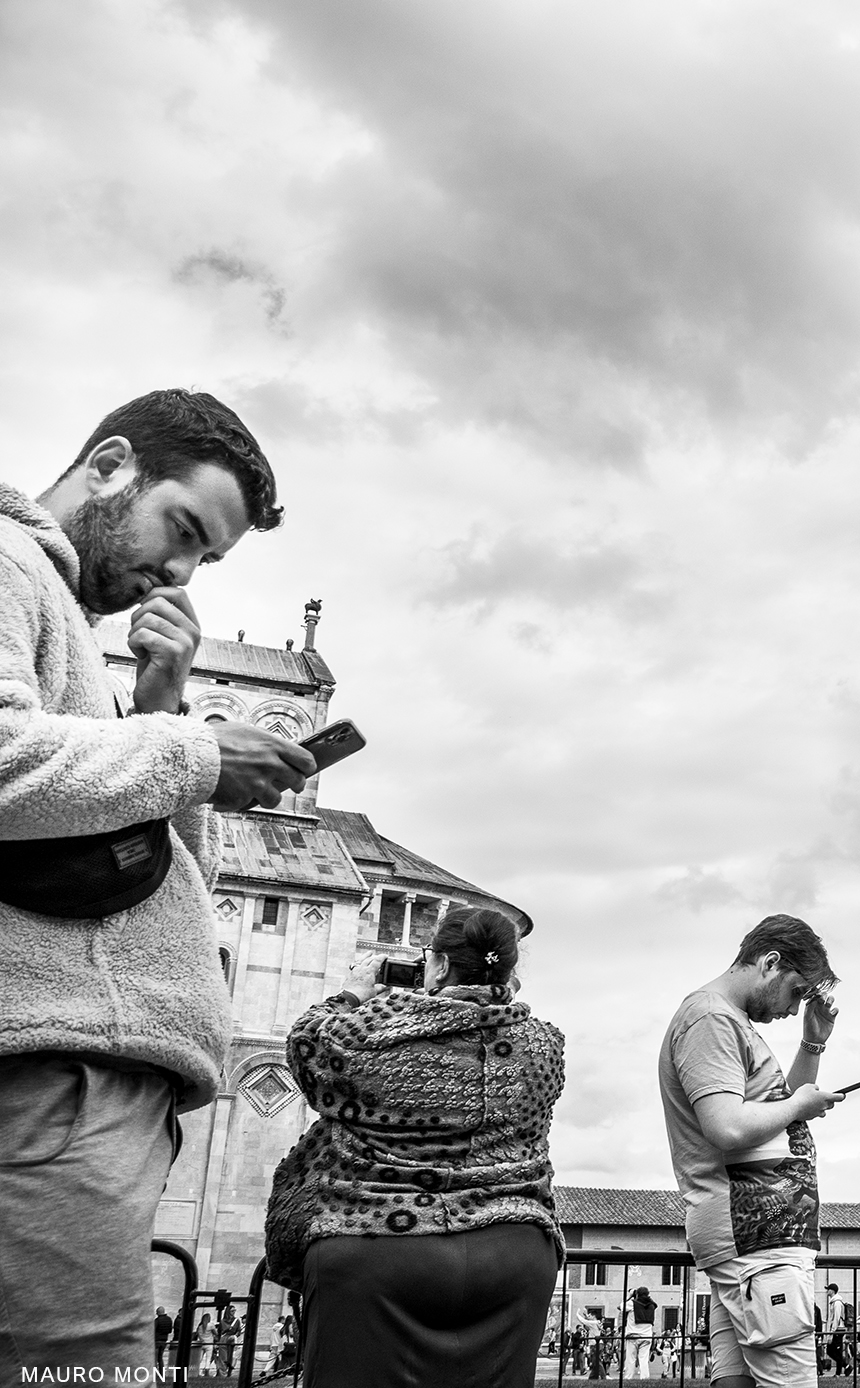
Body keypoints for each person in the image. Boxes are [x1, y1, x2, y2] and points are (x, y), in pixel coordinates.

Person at [0, 391, 310, 1377]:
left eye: (204, 559)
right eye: (182, 529)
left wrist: (159, 707)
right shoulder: (6, 565)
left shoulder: (60, 613)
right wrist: (198, 747)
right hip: (55, 1077)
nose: (176, 573)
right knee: (82, 1370)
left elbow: (161, 868)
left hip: (86, 1080)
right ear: (108, 465)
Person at [263, 907, 563, 1387]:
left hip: (377, 1242)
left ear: (440, 965)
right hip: (515, 1249)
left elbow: (306, 1046)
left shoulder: (370, 1028)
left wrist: (353, 994)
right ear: (509, 971)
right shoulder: (544, 1042)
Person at [658, 914, 845, 1388]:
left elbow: (776, 1113)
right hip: (755, 1242)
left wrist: (813, 1042)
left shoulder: (724, 1020)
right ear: (770, 962)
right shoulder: (711, 1020)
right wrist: (801, 1102)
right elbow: (727, 1126)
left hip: (751, 1242)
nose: (793, 1006)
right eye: (797, 991)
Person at [152, 1308, 173, 1374]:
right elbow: (170, 1331)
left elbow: (153, 1330)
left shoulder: (157, 1320)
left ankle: (154, 1373)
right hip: (164, 1341)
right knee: (160, 1358)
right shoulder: (169, 1319)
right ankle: (162, 1373)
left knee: (155, 1358)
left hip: (157, 1341)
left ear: (158, 1313)